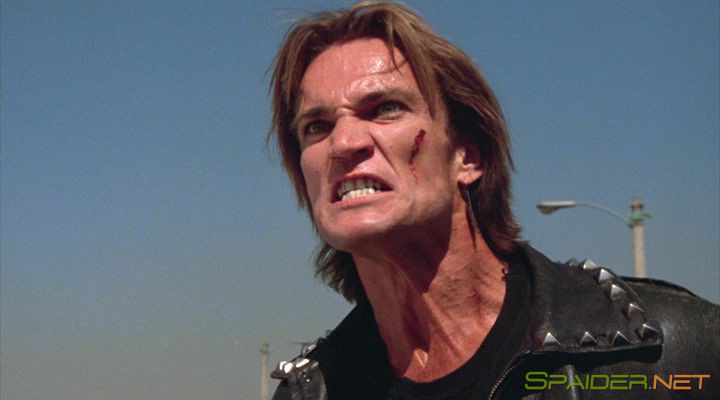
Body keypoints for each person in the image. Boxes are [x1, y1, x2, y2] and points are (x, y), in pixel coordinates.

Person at [267, 2, 719, 399]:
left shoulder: (670, 350)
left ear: (468, 156)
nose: (343, 143)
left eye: (385, 108)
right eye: (317, 127)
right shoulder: (311, 391)